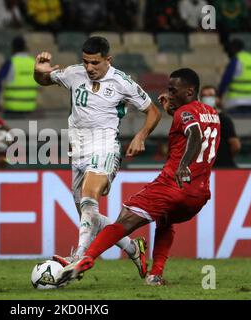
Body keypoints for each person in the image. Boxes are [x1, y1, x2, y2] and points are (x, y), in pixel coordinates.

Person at [56, 68, 221, 286]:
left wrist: (183, 165)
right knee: (165, 221)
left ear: (189, 91)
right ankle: (155, 275)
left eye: (173, 90)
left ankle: (84, 259)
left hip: (173, 184)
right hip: (199, 194)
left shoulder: (185, 114)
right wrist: (173, 110)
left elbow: (195, 135)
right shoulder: (211, 113)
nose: (169, 95)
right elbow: (194, 125)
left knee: (125, 219)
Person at [33, 36, 162, 278]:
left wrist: (141, 135)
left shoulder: (122, 82)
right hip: (78, 152)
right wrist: (37, 71)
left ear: (107, 60)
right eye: (86, 62)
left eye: (95, 63)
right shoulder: (74, 73)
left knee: (89, 197)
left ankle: (79, 256)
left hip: (105, 147)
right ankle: (134, 248)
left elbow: (153, 111)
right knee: (87, 214)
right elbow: (43, 80)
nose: (89, 68)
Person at [218, 39, 251, 115]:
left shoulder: (236, 60)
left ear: (233, 49)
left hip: (235, 103)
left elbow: (225, 80)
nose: (228, 53)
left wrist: (219, 97)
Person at [0, 36, 39, 118]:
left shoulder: (10, 62)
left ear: (12, 48)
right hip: (30, 108)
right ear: (25, 47)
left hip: (12, 109)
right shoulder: (33, 62)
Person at [201, 85, 241, 168]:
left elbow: (235, 145)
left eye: (211, 95)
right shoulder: (197, 119)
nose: (207, 99)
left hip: (223, 167)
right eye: (204, 96)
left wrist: (225, 158)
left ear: (217, 99)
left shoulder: (223, 119)